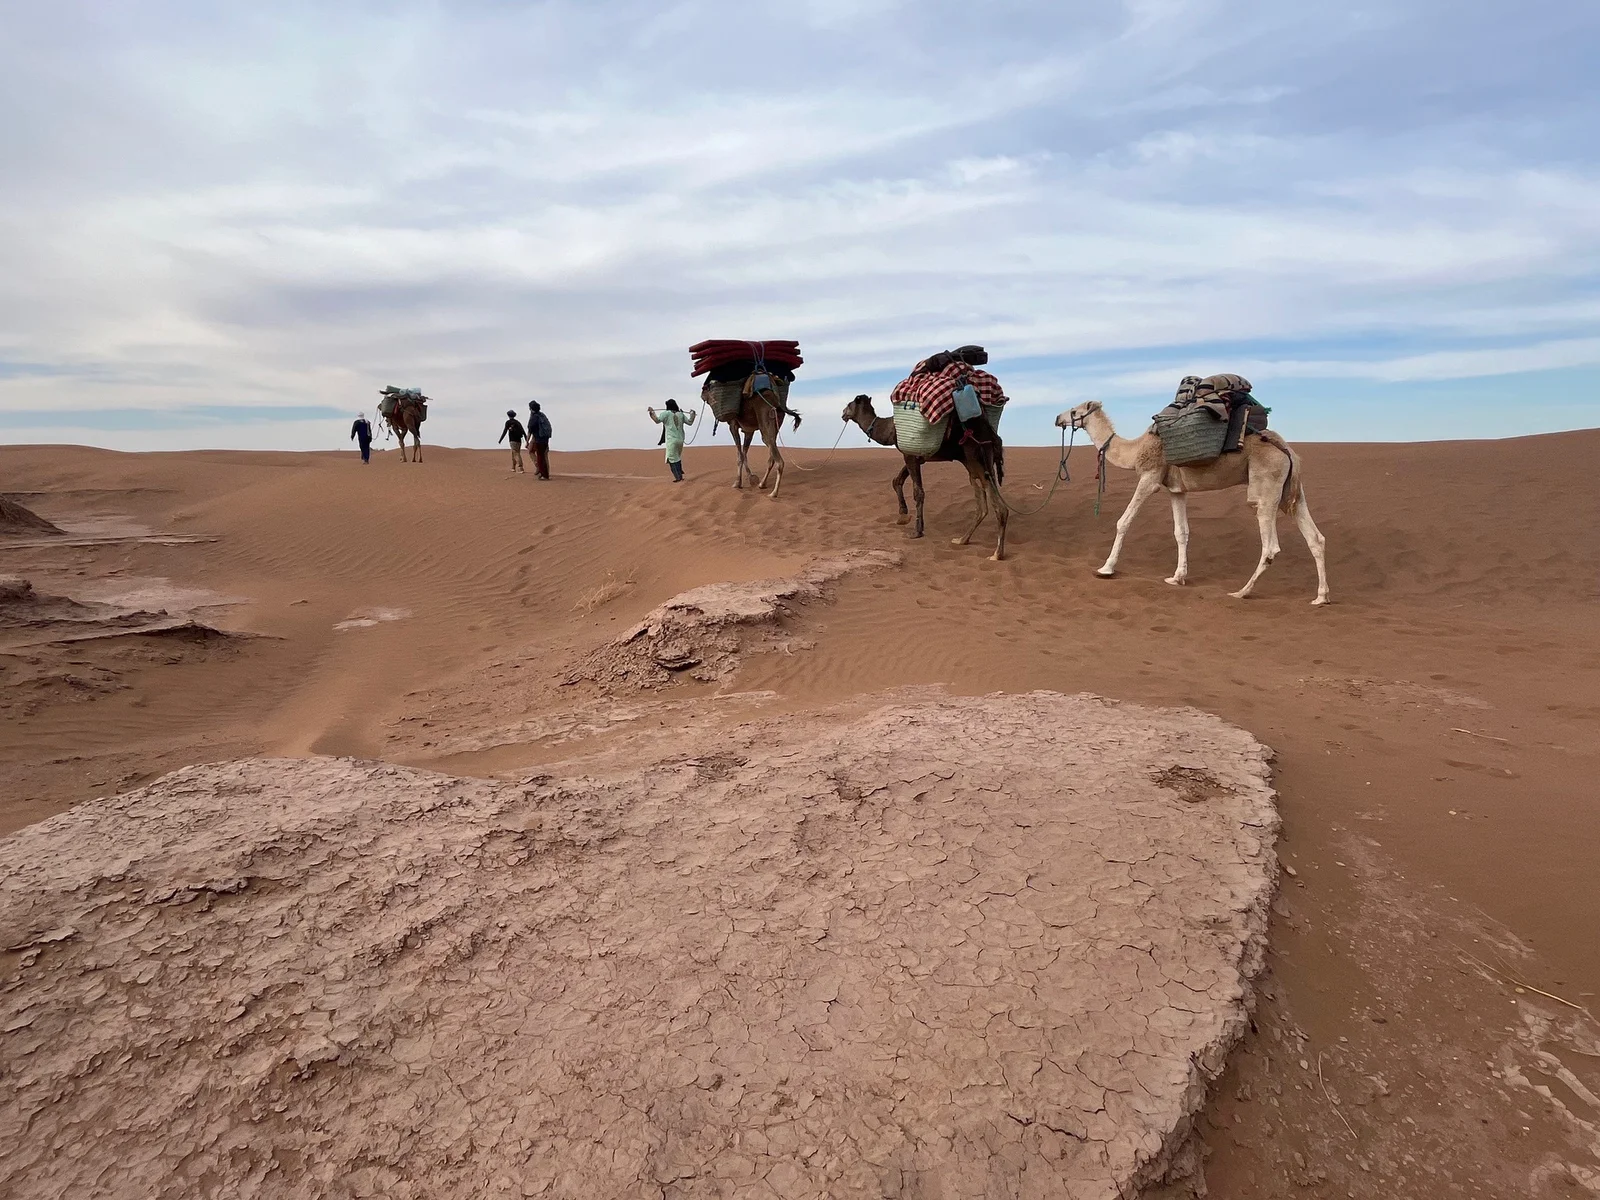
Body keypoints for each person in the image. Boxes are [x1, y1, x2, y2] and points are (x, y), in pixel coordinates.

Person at [648, 399, 695, 482]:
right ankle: (680, 475)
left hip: (671, 440)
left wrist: (652, 413)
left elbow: (657, 420)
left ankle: (678, 477)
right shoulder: (681, 414)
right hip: (680, 440)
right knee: (677, 457)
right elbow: (690, 422)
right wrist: (692, 414)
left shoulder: (666, 414)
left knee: (671, 459)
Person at [527, 401, 553, 480]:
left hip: (539, 439)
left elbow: (530, 430)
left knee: (540, 457)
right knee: (543, 456)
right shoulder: (542, 415)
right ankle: (545, 473)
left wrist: (527, 441)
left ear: (531, 409)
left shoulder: (534, 417)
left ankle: (544, 475)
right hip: (545, 438)